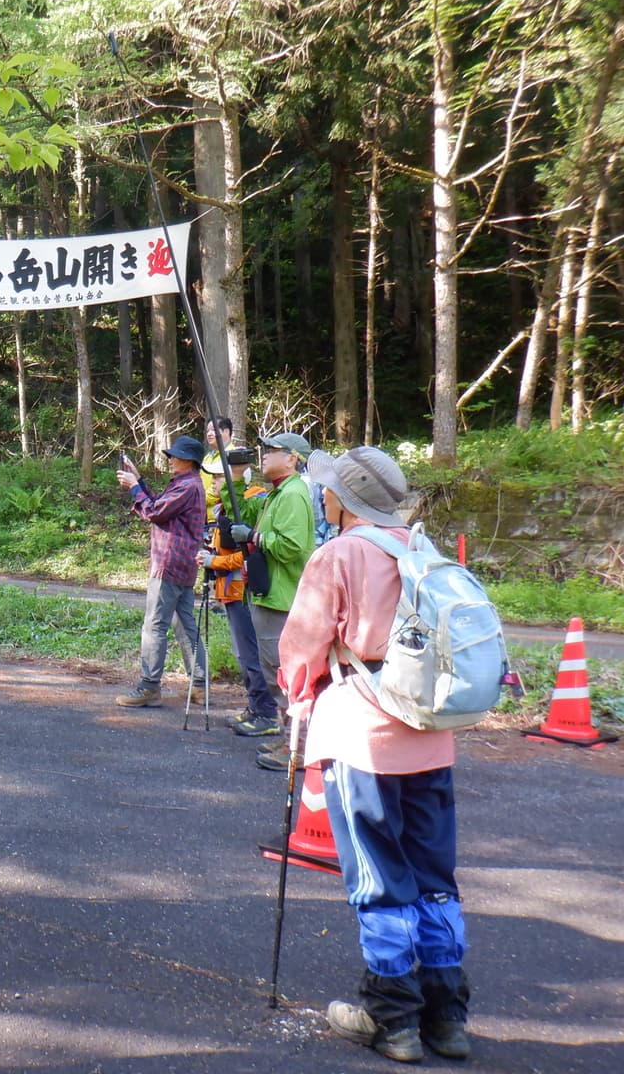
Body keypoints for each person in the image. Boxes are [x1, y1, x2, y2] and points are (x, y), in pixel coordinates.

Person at [278, 446, 469, 1065]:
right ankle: (447, 1016)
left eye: (328, 489)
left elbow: (301, 650)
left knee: (379, 878)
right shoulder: (423, 549)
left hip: (363, 737)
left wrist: (297, 698)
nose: (322, 495)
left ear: (342, 498)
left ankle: (393, 1018)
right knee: (434, 879)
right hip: (432, 735)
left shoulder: (339, 554)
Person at [225, 432, 316, 768]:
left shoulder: (292, 494)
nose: (263, 454)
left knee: (285, 673)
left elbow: (292, 546)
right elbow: (242, 511)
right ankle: (289, 737)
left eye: (272, 450)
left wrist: (254, 537)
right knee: (274, 670)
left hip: (281, 598)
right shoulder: (277, 493)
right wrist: (235, 477)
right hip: (270, 593)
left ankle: (301, 746)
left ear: (292, 459)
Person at [113, 434, 208, 708]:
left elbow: (154, 511)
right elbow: (159, 505)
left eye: (175, 456)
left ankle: (149, 686)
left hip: (169, 564)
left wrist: (134, 487)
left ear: (188, 461)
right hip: (183, 564)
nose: (170, 460)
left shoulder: (187, 486)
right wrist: (139, 481)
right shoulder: (187, 484)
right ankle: (199, 685)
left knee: (155, 625)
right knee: (185, 624)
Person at [194, 453, 272, 734]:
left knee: (251, 654)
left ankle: (266, 712)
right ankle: (254, 707)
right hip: (229, 591)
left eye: (218, 477)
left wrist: (213, 561)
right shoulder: (223, 509)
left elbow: (250, 554)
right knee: (243, 655)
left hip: (243, 592)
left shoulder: (251, 504)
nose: (214, 482)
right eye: (213, 477)